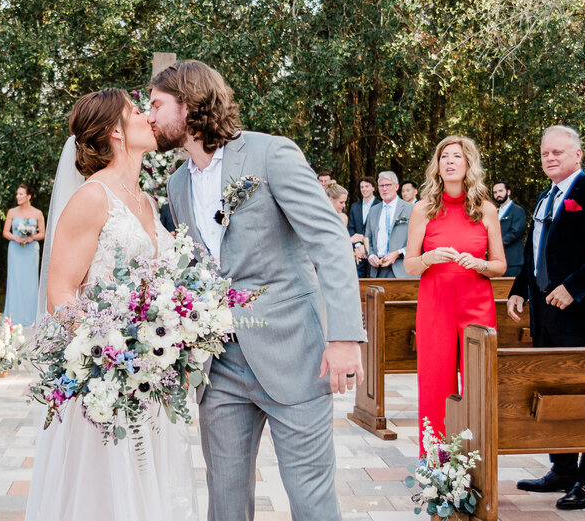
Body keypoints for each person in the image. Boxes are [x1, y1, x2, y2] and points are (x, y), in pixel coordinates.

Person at [150, 60, 364, 521]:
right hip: (221, 365)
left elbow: (329, 242)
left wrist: (344, 337)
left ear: (187, 105)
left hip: (295, 354)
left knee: (311, 501)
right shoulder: (178, 182)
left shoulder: (271, 154)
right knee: (224, 503)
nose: (149, 116)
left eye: (156, 104)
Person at [25, 89, 196, 521]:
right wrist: (109, 349)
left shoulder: (147, 201)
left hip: (150, 378)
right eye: (138, 111)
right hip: (109, 382)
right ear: (114, 132)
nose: (148, 118)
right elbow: (60, 294)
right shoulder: (91, 197)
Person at [507, 125, 585, 511]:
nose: (550, 158)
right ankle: (561, 469)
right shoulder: (545, 198)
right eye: (545, 153)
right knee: (553, 392)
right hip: (547, 317)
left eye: (558, 152)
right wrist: (518, 290)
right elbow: (535, 254)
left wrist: (574, 287)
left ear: (578, 154)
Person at [403, 136, 505, 455]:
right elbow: (409, 265)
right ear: (437, 165)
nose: (449, 161)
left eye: (456, 156)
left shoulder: (486, 210)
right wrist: (428, 259)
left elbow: (501, 265)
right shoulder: (423, 209)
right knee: (435, 382)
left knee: (477, 384)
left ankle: (476, 456)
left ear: (468, 164)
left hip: (477, 305)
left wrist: (481, 264)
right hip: (436, 306)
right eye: (444, 156)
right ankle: (435, 457)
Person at [3, 183, 45, 325]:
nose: (18, 196)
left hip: (31, 250)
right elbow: (5, 232)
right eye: (17, 194)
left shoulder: (37, 213)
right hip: (15, 249)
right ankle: (14, 316)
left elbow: (43, 233)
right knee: (15, 281)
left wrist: (32, 237)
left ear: (29, 196)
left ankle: (30, 316)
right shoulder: (12, 212)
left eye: (21, 194)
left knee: (30, 282)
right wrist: (15, 237)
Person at [365, 171, 413, 278]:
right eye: (381, 186)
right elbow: (367, 237)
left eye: (388, 185)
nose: (384, 189)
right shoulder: (373, 210)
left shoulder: (410, 209)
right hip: (378, 270)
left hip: (402, 269)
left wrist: (398, 252)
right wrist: (371, 255)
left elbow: (418, 242)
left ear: (396, 186)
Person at [493, 181, 528, 277]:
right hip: (497, 261)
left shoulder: (518, 211)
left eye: (500, 191)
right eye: (495, 192)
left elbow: (515, 233)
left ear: (508, 192)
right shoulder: (495, 212)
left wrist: (495, 245)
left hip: (513, 261)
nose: (498, 194)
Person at [348, 176, 376, 278]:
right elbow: (350, 227)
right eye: (362, 187)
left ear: (373, 188)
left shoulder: (380, 205)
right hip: (358, 251)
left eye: (367, 186)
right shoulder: (355, 207)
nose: (364, 189)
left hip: (374, 251)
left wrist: (367, 247)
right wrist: (358, 245)